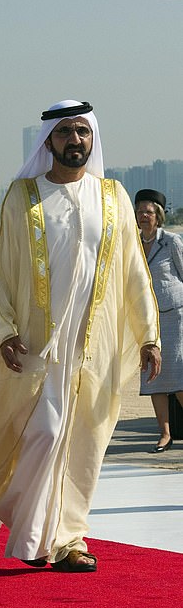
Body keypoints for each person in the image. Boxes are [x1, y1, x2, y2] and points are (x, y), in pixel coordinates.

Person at [0, 100, 161, 573]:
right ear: (48, 141)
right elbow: (4, 277)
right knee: (43, 432)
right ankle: (26, 521)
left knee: (85, 443)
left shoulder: (112, 195)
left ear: (92, 139)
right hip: (39, 346)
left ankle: (65, 539)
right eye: (66, 133)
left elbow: (135, 272)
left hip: (94, 346)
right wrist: (6, 331)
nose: (76, 141)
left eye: (83, 133)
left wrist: (149, 335)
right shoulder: (23, 197)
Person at [134, 189, 183, 453]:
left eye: (148, 212)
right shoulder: (132, 244)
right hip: (147, 322)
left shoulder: (172, 242)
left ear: (158, 216)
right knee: (154, 377)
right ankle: (164, 434)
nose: (143, 216)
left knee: (179, 376)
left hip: (176, 318)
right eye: (140, 211)